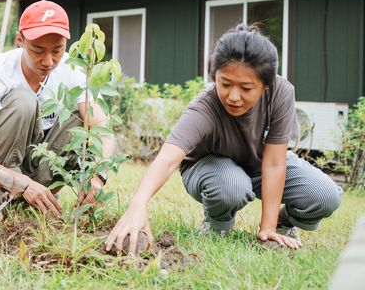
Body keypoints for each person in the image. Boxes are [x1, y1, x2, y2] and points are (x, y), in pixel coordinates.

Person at [105, 24, 342, 254]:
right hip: (210, 168)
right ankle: (217, 224)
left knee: (325, 196)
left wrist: (267, 227)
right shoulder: (205, 107)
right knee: (232, 186)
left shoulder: (281, 93)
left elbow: (274, 163)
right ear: (214, 75)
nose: (234, 97)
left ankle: (282, 223)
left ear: (266, 85)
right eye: (225, 83)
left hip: (260, 163)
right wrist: (138, 204)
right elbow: (167, 158)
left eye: (247, 88)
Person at [0, 0, 117, 217]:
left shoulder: (70, 70)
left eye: (57, 50)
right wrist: (18, 181)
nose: (48, 61)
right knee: (23, 100)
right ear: (20, 40)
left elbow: (103, 132)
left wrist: (97, 176)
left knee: (79, 117)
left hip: (30, 172)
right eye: (38, 50)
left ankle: (44, 198)